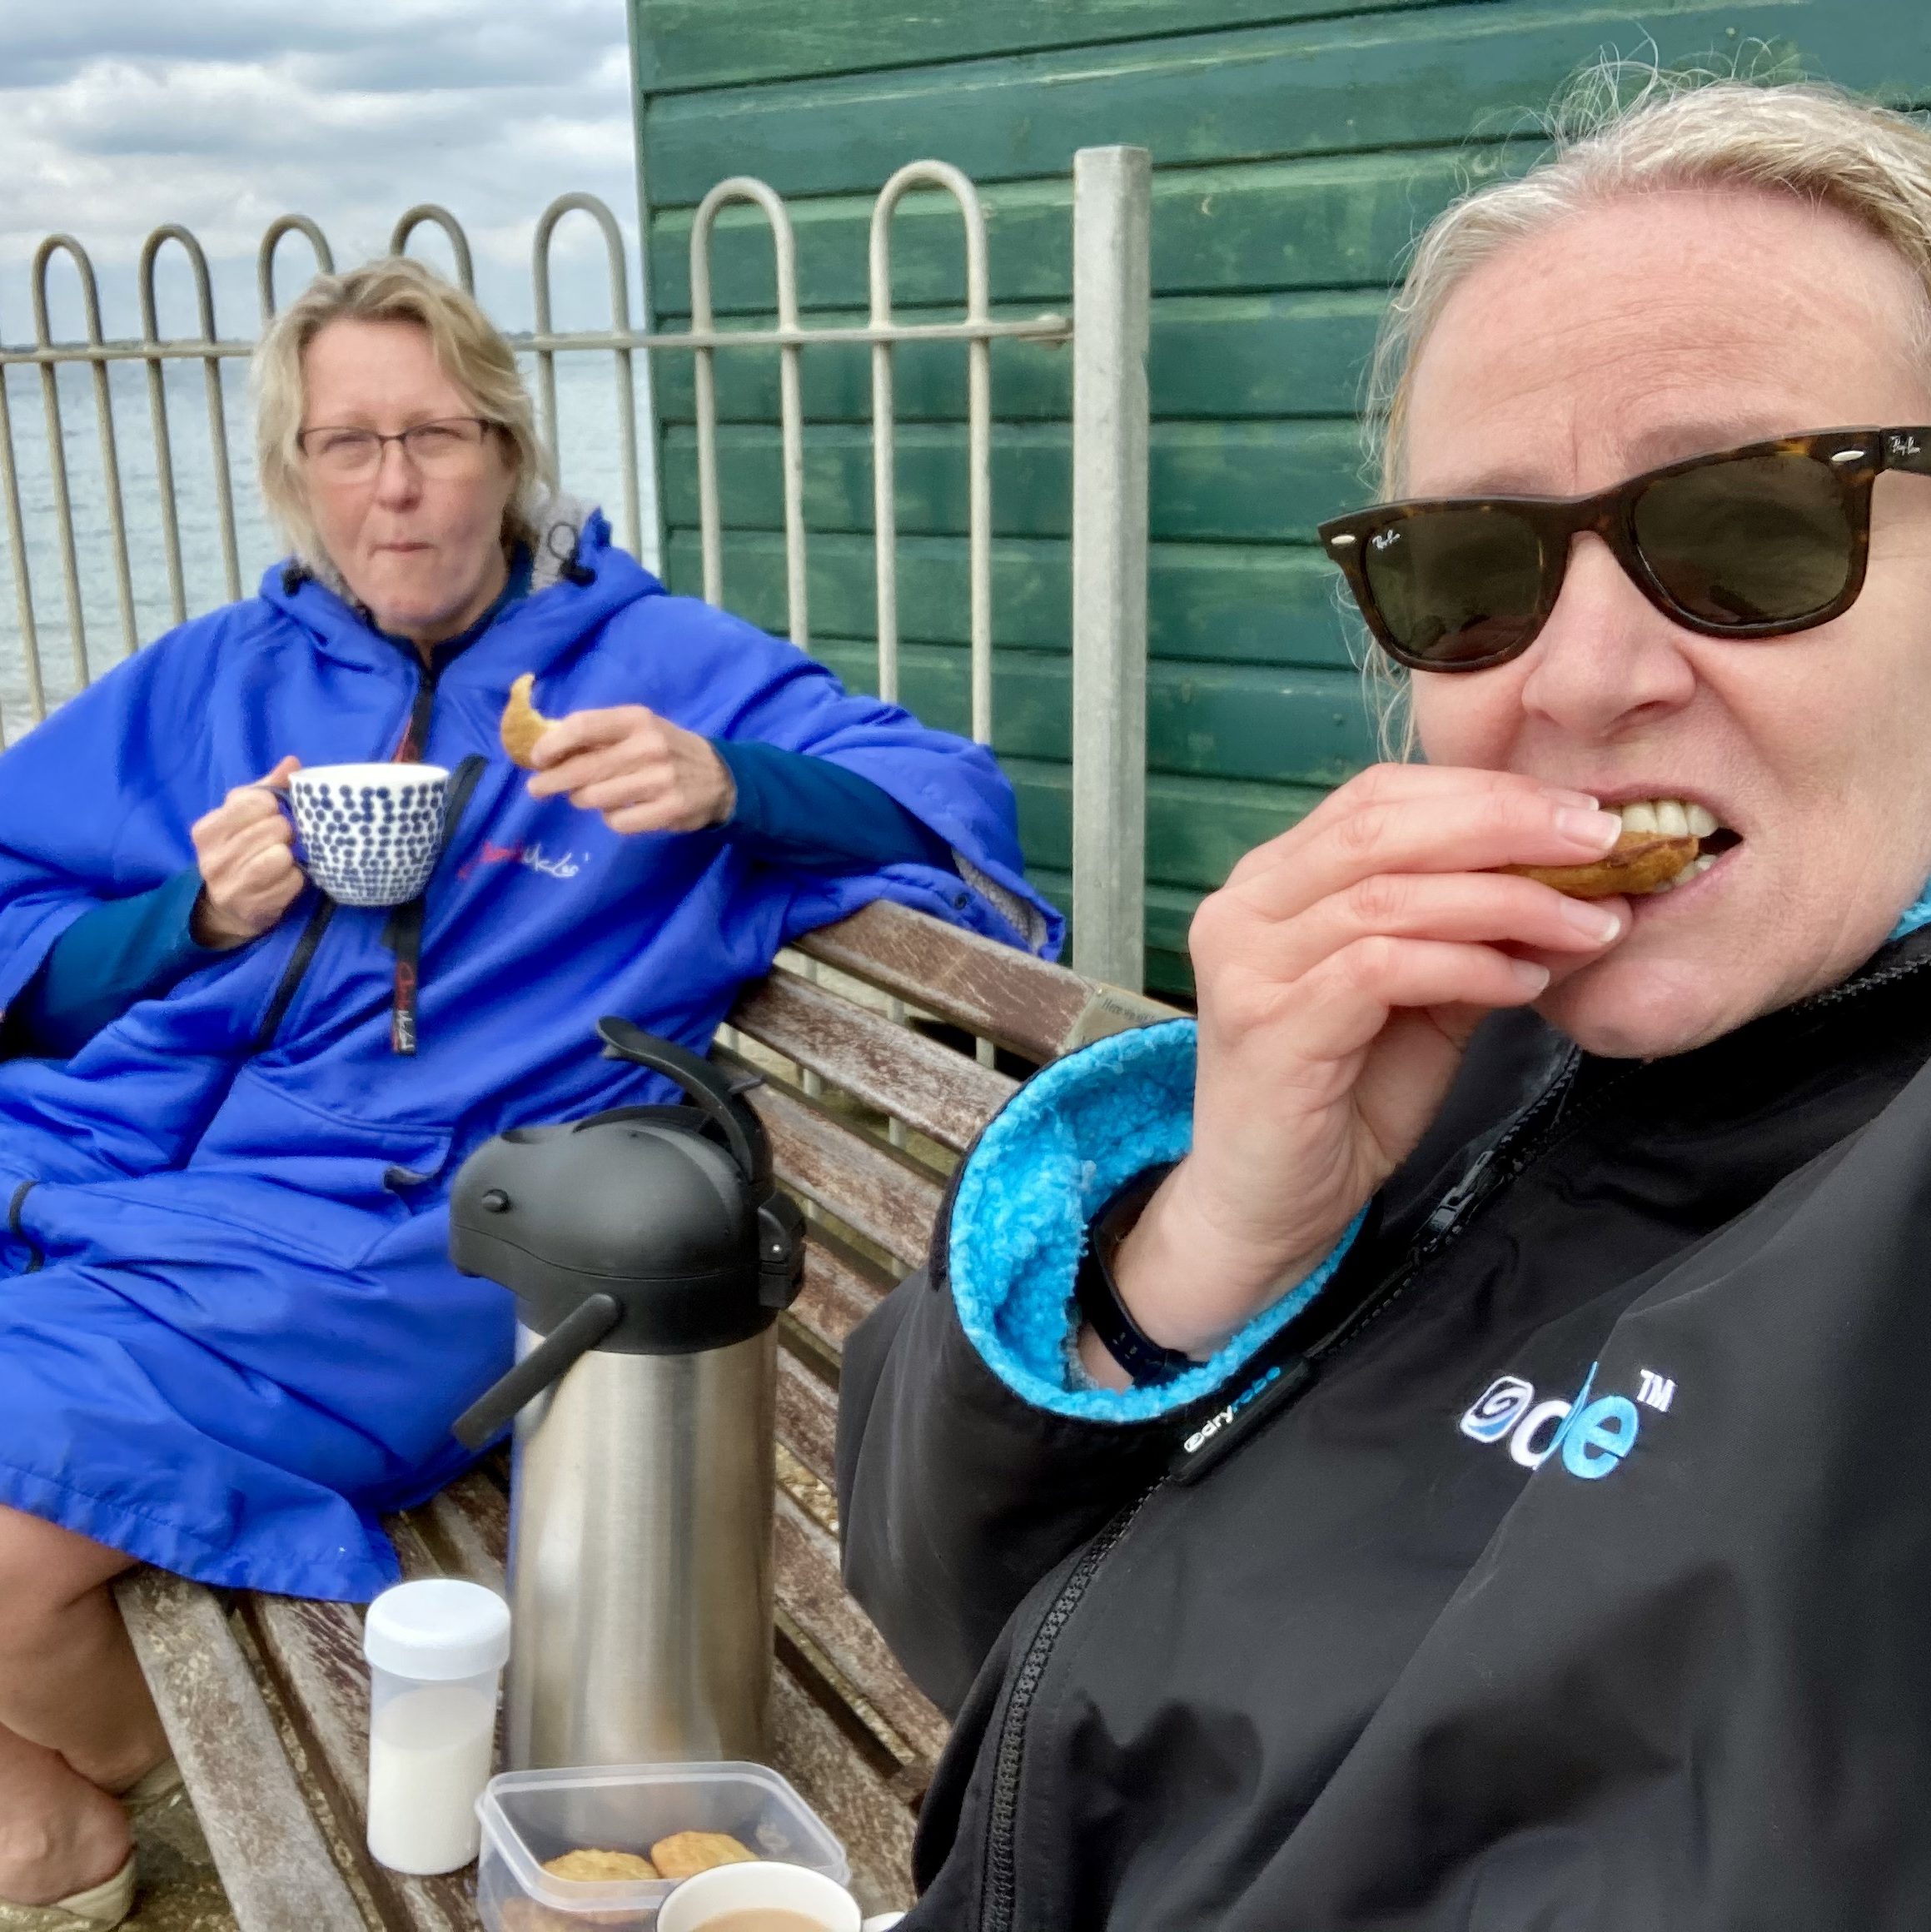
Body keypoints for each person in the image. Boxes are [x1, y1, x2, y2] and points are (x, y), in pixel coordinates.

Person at [839, 72, 1931, 1930]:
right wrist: (1198, 1248)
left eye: (1754, 527)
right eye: (1472, 570)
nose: (1577, 678)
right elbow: (955, 1621)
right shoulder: (1431, 1041)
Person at [0, 256, 1056, 1928]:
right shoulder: (223, 677)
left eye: (435, 434)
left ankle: (113, 1806)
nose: (395, 484)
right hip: (127, 1161)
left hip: (421, 1229)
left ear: (507, 448)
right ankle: (48, 1810)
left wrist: (728, 780)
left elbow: (950, 807)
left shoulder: (650, 659)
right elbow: (26, 917)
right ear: (294, 473)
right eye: (346, 443)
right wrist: (186, 918)